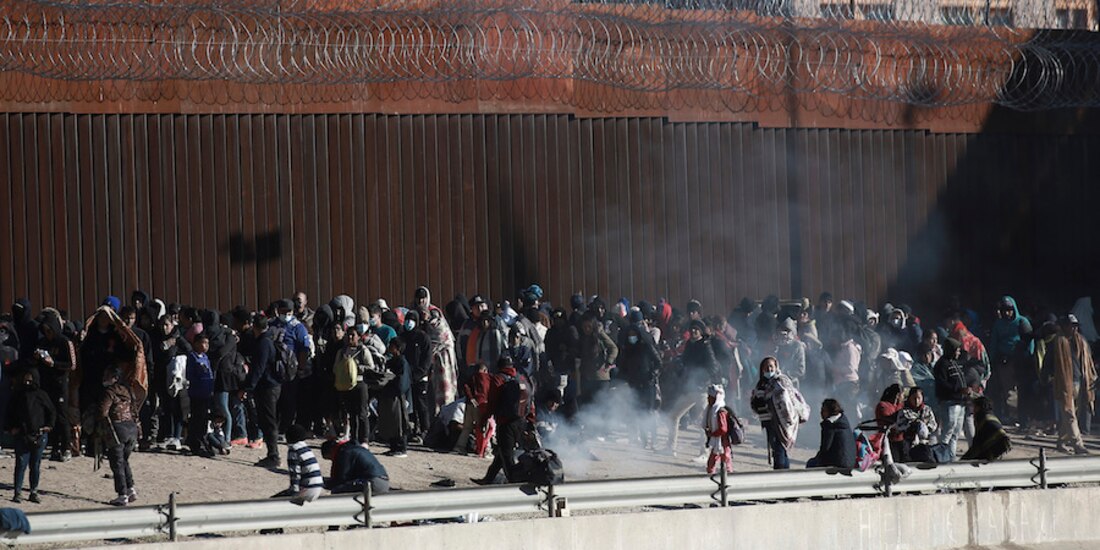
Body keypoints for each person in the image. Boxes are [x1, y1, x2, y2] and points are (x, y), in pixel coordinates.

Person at [472, 356, 536, 485]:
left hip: (505, 422)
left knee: (506, 456)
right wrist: (531, 421)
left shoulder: (498, 379)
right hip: (521, 421)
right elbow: (531, 401)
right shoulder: (522, 378)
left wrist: (484, 418)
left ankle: (514, 482)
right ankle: (488, 479)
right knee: (502, 452)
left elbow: (492, 401)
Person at [5, 369, 56, 503]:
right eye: (25, 379)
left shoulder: (41, 395)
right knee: (21, 464)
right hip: (22, 435)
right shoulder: (18, 395)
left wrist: (48, 427)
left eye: (30, 379)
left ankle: (33, 491)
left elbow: (52, 412)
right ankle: (18, 492)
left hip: (39, 436)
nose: (28, 382)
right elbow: (9, 413)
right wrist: (10, 429)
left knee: (35, 465)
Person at [750, 357, 808, 469]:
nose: (769, 368)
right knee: (777, 448)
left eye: (771, 366)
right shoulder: (760, 384)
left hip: (781, 422)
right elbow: (755, 399)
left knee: (779, 448)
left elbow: (786, 399)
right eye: (766, 366)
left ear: (776, 367)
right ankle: (785, 471)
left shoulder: (781, 381)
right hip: (767, 421)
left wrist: (770, 401)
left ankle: (780, 472)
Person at [1048, 314, 1095, 454]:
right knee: (1070, 415)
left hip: (1080, 383)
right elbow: (1048, 362)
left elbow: (1088, 362)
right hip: (1064, 384)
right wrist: (1046, 377)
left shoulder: (1082, 341)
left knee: (1071, 415)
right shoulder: (1057, 343)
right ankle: (1077, 444)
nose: (1073, 328)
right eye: (1070, 325)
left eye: (1075, 326)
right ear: (1064, 326)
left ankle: (1061, 442)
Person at [31, 313, 75, 462]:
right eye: (45, 331)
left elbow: (71, 365)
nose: (47, 334)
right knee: (50, 416)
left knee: (62, 416)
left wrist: (54, 364)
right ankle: (54, 447)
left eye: (50, 330)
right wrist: (38, 358)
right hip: (46, 383)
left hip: (60, 383)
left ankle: (66, 447)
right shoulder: (43, 342)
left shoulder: (64, 342)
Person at [241, 315, 282, 468]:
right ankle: (272, 453)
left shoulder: (263, 343)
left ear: (254, 327)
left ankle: (273, 455)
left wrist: (247, 387)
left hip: (267, 387)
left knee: (268, 421)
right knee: (267, 420)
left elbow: (258, 368)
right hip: (271, 386)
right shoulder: (267, 340)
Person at [99, 367, 139, 506]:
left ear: (115, 378)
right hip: (132, 429)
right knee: (125, 460)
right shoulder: (128, 392)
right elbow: (135, 410)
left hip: (118, 429)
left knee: (117, 463)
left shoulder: (110, 392)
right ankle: (130, 488)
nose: (105, 377)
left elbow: (103, 411)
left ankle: (122, 494)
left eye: (108, 375)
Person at [335, 324, 375, 444]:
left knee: (362, 413)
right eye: (349, 335)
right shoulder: (342, 351)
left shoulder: (363, 350)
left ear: (359, 337)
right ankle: (353, 438)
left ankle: (364, 440)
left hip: (360, 383)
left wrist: (358, 367)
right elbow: (336, 367)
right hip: (346, 385)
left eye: (353, 335)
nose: (350, 337)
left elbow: (371, 366)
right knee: (351, 414)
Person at [934, 338, 973, 461]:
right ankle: (942, 457)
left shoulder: (954, 363)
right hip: (949, 403)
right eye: (957, 350)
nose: (959, 353)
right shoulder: (942, 364)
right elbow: (942, 384)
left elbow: (961, 381)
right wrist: (958, 389)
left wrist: (966, 389)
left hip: (960, 403)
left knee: (955, 433)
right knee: (947, 432)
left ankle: (951, 457)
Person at [321, 439, 390, 495]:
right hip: (383, 482)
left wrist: (324, 483)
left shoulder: (344, 452)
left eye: (330, 458)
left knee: (337, 490)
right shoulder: (352, 447)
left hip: (372, 483)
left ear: (331, 451)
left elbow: (342, 478)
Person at [185, 333, 215, 457]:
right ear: (196, 343)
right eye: (203, 342)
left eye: (207, 343)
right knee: (197, 419)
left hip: (206, 393)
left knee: (204, 420)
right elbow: (190, 375)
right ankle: (196, 444)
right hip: (197, 393)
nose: (206, 346)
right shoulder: (192, 357)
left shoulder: (205, 357)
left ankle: (202, 441)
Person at [276, 424, 322, 504]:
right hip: (317, 487)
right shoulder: (306, 448)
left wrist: (294, 492)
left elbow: (295, 473)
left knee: (275, 501)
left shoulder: (294, 450)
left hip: (306, 489)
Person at [806, 398, 855, 469]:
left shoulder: (829, 425)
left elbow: (825, 448)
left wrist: (818, 458)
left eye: (823, 410)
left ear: (830, 411)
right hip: (849, 462)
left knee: (811, 463)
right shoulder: (843, 420)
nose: (821, 412)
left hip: (837, 463)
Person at [961, 397, 1011, 461]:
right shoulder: (990, 416)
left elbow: (977, 445)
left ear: (979, 408)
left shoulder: (983, 419)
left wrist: (963, 460)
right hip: (999, 447)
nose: (973, 410)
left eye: (974, 407)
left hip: (995, 448)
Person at [895, 387, 938, 462]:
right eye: (914, 398)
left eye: (919, 398)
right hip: (909, 443)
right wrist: (911, 426)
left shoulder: (927, 410)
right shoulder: (904, 411)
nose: (916, 401)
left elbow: (933, 425)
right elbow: (899, 426)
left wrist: (924, 426)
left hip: (925, 443)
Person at [703, 385, 734, 475]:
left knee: (725, 462)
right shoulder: (711, 410)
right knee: (714, 462)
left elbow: (723, 429)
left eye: (711, 397)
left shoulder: (720, 411)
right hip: (717, 441)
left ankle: (728, 480)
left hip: (722, 441)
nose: (709, 399)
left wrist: (712, 434)